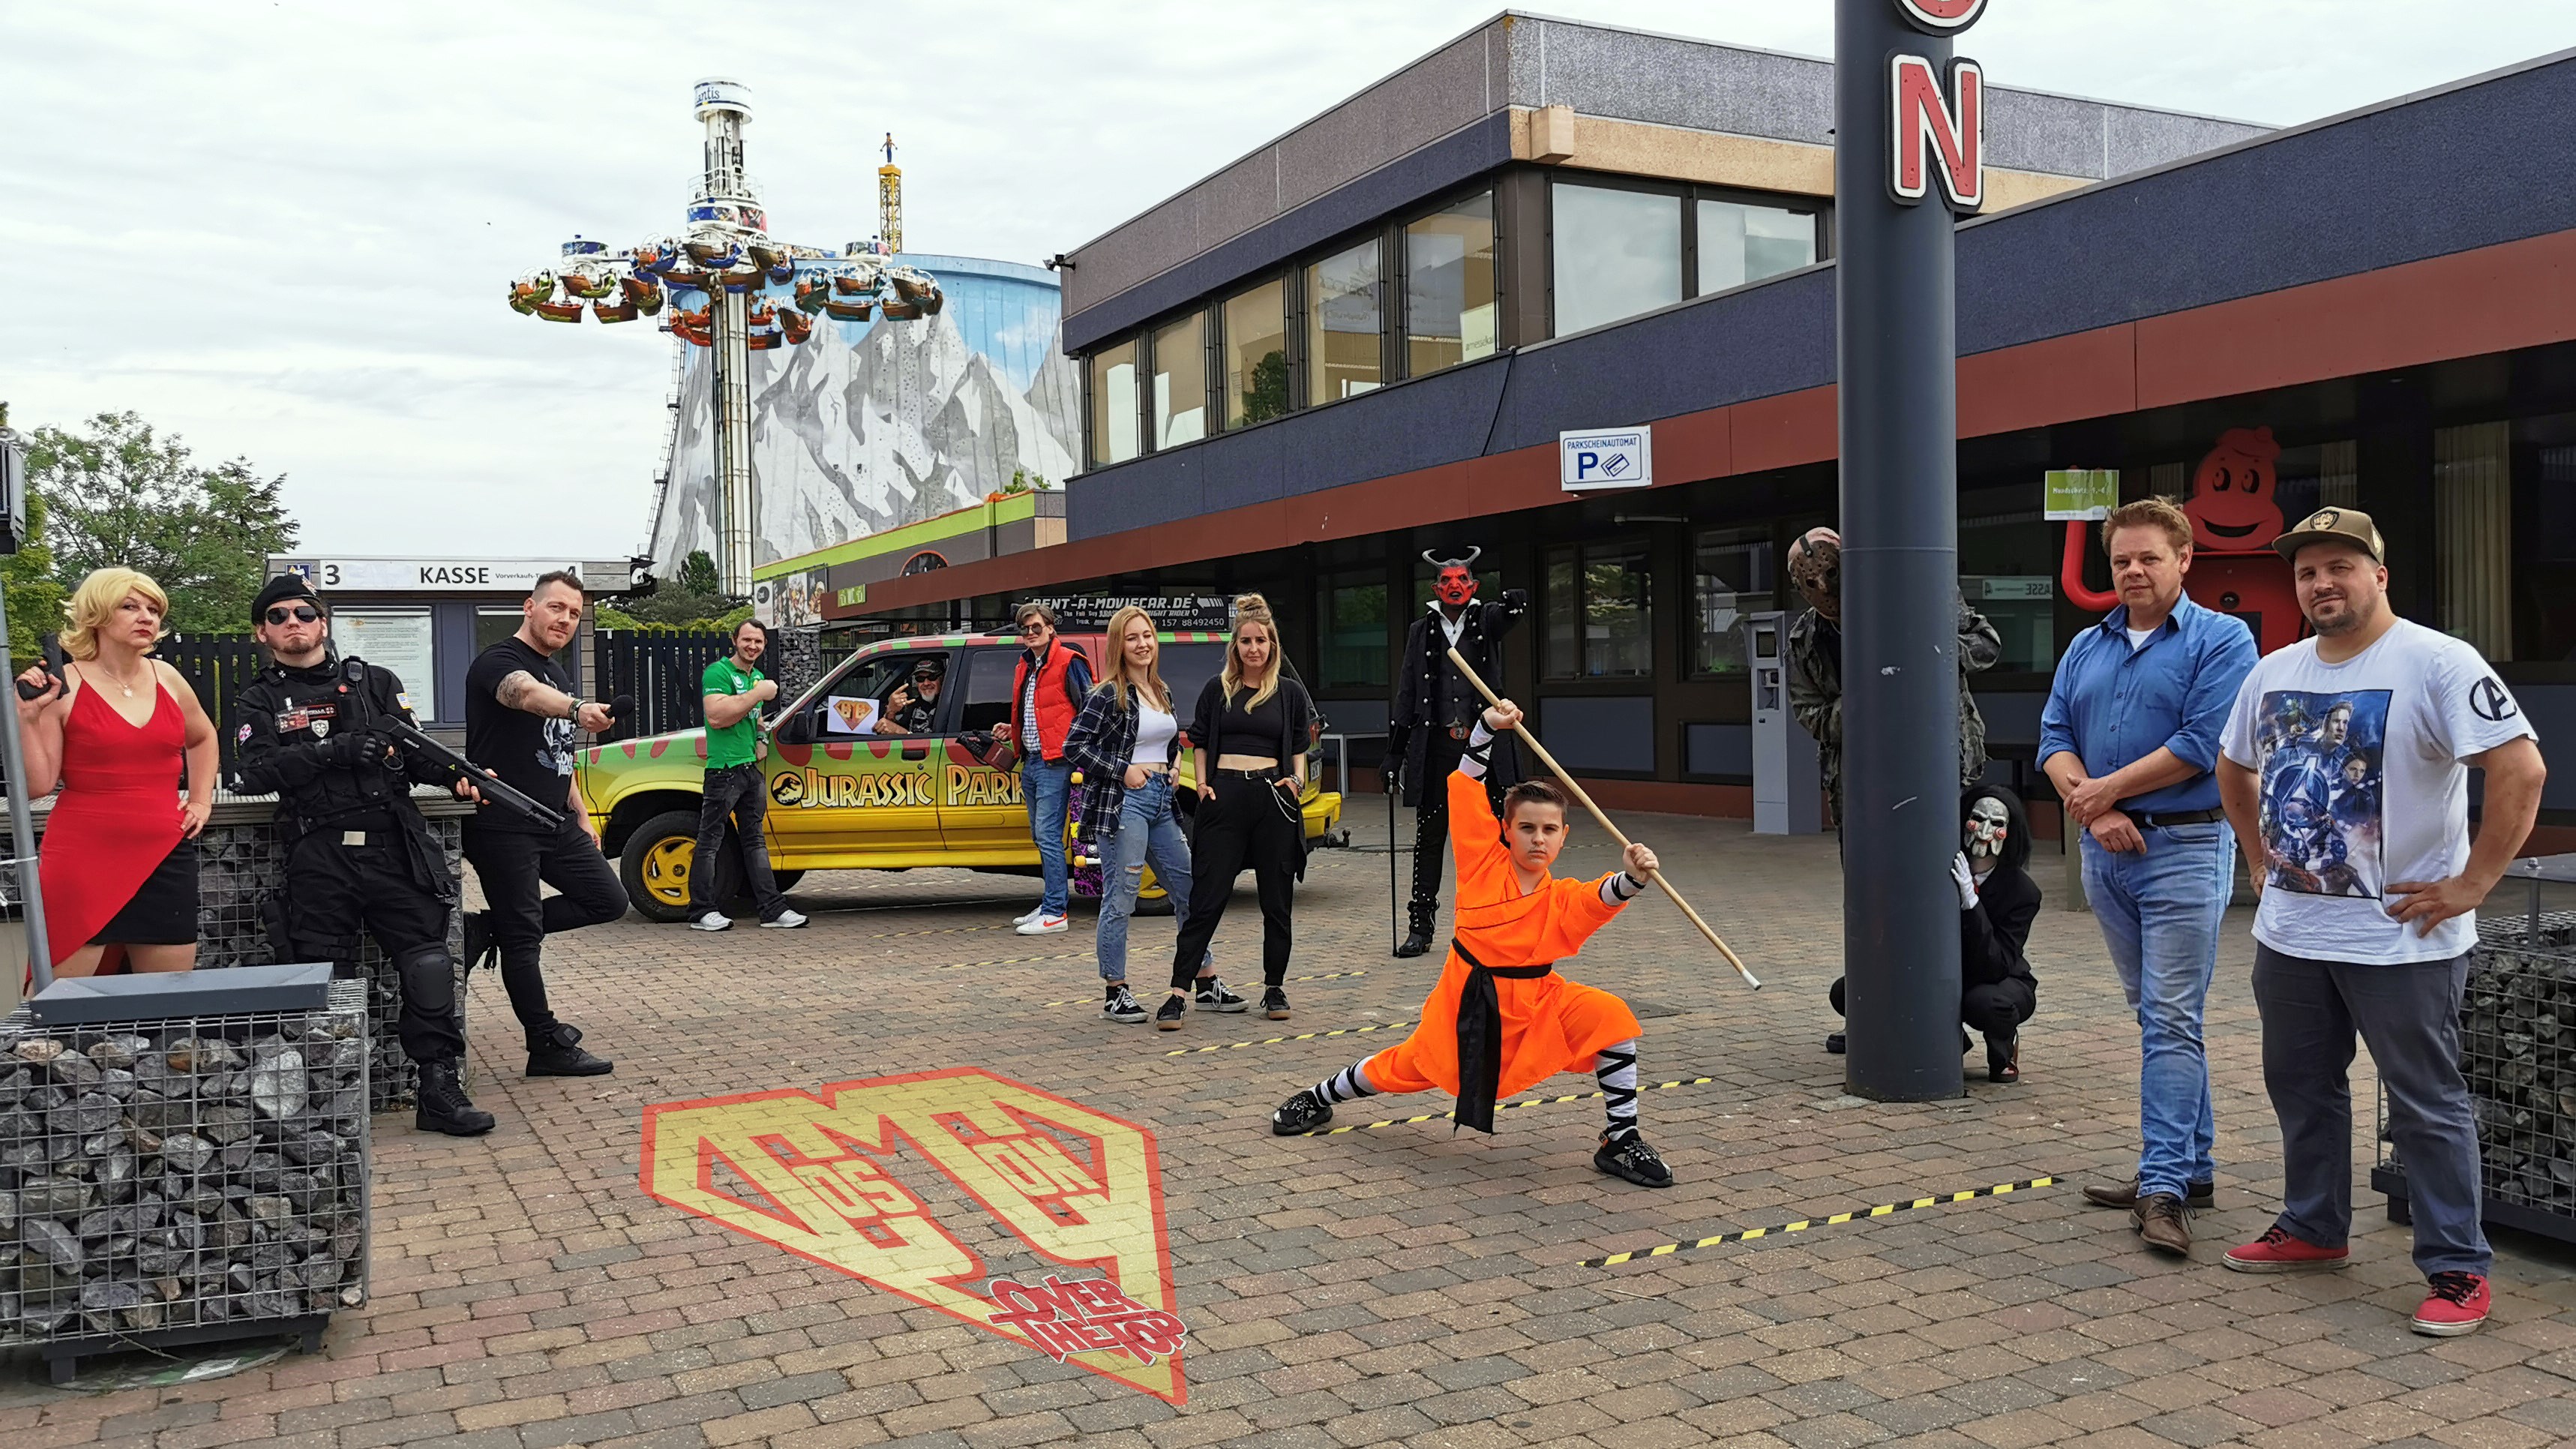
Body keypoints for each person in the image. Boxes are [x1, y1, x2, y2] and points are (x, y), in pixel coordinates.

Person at [2217, 506, 2545, 1337]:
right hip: (2291, 936)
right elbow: (2232, 764)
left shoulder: (2437, 661)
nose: (2321, 583)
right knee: (2301, 1087)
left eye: (2340, 567)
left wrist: (2474, 883)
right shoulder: (2273, 670)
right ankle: (2313, 1226)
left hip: (2403, 941)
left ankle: (2457, 1267)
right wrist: (2257, 856)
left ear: (2379, 575)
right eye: (2307, 572)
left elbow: (2520, 768)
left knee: (2426, 1104)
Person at [1270, 698, 1675, 1188]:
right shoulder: (1481, 862)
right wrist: (1485, 728)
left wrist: (1632, 879)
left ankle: (1621, 1140)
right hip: (1466, 1006)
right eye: (1526, 828)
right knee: (1402, 1067)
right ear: (1505, 829)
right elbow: (1465, 787)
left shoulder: (1560, 897)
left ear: (1563, 836)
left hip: (1536, 1005)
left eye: (1549, 830)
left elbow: (1597, 897)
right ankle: (1317, 1097)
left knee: (1610, 1018)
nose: (1538, 839)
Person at [2040, 496, 2259, 1256]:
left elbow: (2203, 743)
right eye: (2121, 560)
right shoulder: (2085, 645)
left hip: (2186, 849)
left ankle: (2161, 1185)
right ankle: (2191, 1169)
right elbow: (2053, 738)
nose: (2133, 571)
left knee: (2169, 1019)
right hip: (2106, 853)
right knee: (2159, 1017)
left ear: (2184, 560)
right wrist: (2095, 808)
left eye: (2148, 558)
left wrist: (2104, 791)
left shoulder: (2223, 639)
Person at [232, 574, 494, 1136]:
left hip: (393, 846)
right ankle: (333, 1107)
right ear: (262, 633)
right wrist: (334, 751)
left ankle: (439, 1090)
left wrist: (459, 777)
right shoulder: (259, 700)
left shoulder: (375, 682)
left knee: (428, 967)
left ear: (322, 623)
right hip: (319, 853)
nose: (293, 623)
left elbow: (417, 753)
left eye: (304, 613)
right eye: (279, 616)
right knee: (327, 981)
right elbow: (253, 773)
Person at [460, 570, 627, 1077]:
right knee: (524, 940)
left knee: (608, 900)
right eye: (556, 607)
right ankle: (545, 1044)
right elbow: (524, 695)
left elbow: (558, 752)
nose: (566, 620)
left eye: (574, 613)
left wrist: (581, 810)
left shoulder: (558, 673)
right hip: (502, 822)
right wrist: (577, 708)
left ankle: (486, 927)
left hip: (554, 820)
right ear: (529, 607)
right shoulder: (498, 662)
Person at [13, 568, 217, 976]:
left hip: (164, 852)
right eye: (130, 607)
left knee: (167, 1002)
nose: (146, 617)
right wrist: (27, 718)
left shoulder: (167, 677)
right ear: (97, 615)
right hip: (82, 858)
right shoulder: (63, 685)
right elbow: (37, 785)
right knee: (64, 1003)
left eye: (153, 609)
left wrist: (201, 800)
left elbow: (203, 737)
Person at [1062, 605, 1235, 1024]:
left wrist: (1174, 766)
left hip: (1161, 800)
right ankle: (1115, 991)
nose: (1142, 644)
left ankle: (1204, 980)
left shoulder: (1162, 690)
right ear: (1118, 646)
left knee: (1190, 890)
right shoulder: (1107, 694)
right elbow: (1074, 747)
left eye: (1147, 636)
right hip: (1124, 802)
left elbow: (1169, 741)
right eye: (1132, 638)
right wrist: (1123, 770)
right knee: (1122, 895)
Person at [1786, 525, 2003, 834]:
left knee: (1942, 854)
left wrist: (1928, 656)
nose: (1824, 587)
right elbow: (1808, 713)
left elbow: (1986, 644)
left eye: (1831, 573)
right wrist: (1860, 704)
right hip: (1861, 782)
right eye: (1811, 582)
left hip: (1934, 765)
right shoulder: (1805, 640)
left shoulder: (1916, 595)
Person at [1161, 595, 1315, 1028]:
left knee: (1276, 902)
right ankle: (1178, 992)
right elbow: (1200, 741)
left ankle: (1274, 987)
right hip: (1224, 796)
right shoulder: (1218, 689)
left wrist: (1296, 783)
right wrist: (1203, 784)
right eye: (1246, 641)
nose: (1253, 648)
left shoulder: (1288, 693)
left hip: (1273, 797)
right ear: (1236, 646)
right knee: (1206, 899)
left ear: (1272, 645)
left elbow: (1299, 746)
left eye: (1260, 641)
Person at [1827, 784, 2041, 1083]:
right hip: (1938, 973)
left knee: (1990, 1005)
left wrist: (1971, 902)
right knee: (1848, 992)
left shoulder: (2022, 892)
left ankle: (2003, 1050)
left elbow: (1996, 963)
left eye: (1997, 824)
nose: (1984, 831)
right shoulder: (1939, 866)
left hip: (1995, 978)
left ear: (2011, 831)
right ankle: (1949, 1042)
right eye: (1977, 819)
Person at [1386, 548, 1527, 958]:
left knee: (1499, 836)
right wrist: (1394, 753)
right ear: (1436, 589)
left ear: (1473, 586)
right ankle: (1421, 927)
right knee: (1430, 838)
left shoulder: (1485, 619)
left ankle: (1503, 922)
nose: (1454, 586)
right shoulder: (1421, 631)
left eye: (1462, 579)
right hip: (1437, 750)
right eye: (1446, 581)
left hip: (1487, 748)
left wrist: (1515, 604)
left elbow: (1507, 618)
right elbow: (1407, 692)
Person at [690, 619, 806, 932]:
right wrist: (758, 694)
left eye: (758, 641)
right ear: (734, 640)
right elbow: (717, 717)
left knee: (755, 841)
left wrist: (761, 738)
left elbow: (756, 719)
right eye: (747, 640)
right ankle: (702, 911)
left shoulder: (755, 677)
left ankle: (772, 910)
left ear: (764, 645)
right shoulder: (719, 673)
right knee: (710, 842)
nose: (752, 646)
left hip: (748, 770)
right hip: (723, 770)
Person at [1006, 603, 1093, 936]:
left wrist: (1077, 750)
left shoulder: (1069, 661)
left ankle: (1056, 911)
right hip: (1031, 759)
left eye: (1036, 627)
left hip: (1057, 762)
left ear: (1051, 628)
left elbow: (1090, 710)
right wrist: (1011, 730)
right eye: (1025, 629)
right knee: (1041, 836)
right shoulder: (1026, 665)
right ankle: (1049, 903)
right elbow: (1037, 714)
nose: (1030, 633)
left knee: (1048, 835)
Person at [873, 655, 943, 736]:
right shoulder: (914, 705)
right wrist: (891, 713)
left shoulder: (950, 705)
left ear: (942, 678)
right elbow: (897, 729)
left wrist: (903, 732)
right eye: (920, 679)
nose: (926, 683)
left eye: (932, 677)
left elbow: (943, 740)